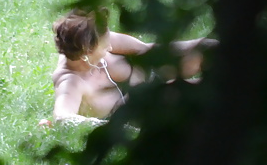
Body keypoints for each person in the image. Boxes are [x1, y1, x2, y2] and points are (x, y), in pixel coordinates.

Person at [41, 8, 216, 126]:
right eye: (105, 46)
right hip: (146, 110)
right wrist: (104, 125)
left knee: (209, 48)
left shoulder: (95, 37)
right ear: (87, 52)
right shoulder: (71, 81)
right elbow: (63, 117)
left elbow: (149, 51)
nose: (110, 47)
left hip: (154, 75)